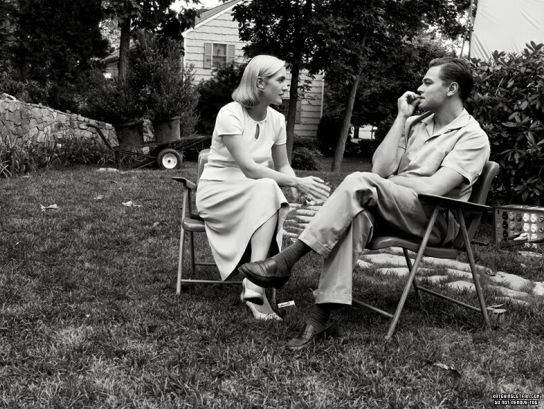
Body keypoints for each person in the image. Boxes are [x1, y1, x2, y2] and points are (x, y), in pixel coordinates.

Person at [239, 57, 490, 346]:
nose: (419, 88)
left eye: (427, 82)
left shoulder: (472, 137)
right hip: (395, 208)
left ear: (451, 89)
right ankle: (319, 320)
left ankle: (287, 260)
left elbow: (434, 187)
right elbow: (380, 169)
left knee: (360, 181)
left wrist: (389, 182)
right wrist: (401, 118)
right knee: (357, 216)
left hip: (435, 218)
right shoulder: (415, 124)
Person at [196, 55, 331, 320]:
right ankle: (256, 282)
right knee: (268, 187)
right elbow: (248, 168)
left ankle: (254, 283)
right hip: (219, 191)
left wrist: (295, 186)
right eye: (280, 79)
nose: (285, 85)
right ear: (260, 83)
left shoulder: (277, 120)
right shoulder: (230, 114)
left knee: (268, 188)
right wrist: (295, 181)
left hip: (254, 192)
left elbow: (283, 166)